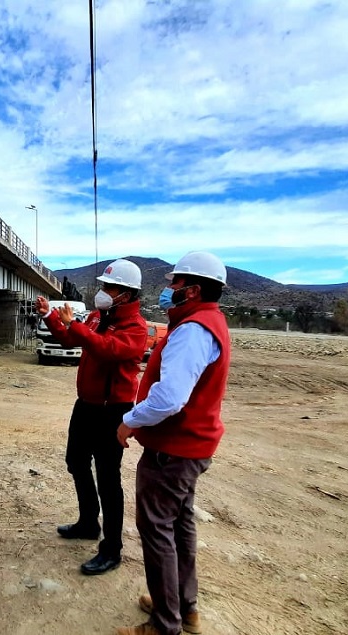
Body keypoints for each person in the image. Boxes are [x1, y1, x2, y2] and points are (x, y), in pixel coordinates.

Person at [113, 251, 231, 635]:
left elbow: (169, 398)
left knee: (157, 530)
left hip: (173, 450)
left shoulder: (192, 330)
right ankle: (183, 607)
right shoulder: (209, 322)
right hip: (188, 448)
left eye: (175, 283)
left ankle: (165, 624)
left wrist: (129, 421)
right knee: (179, 526)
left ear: (192, 290)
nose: (169, 289)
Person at [36, 258, 147, 575]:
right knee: (76, 461)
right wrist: (50, 317)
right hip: (86, 405)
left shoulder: (136, 328)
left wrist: (76, 325)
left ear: (126, 294)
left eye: (109, 287)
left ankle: (112, 549)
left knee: (108, 479)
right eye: (104, 285)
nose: (103, 291)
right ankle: (88, 522)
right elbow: (71, 339)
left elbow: (105, 349)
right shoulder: (98, 317)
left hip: (112, 410)